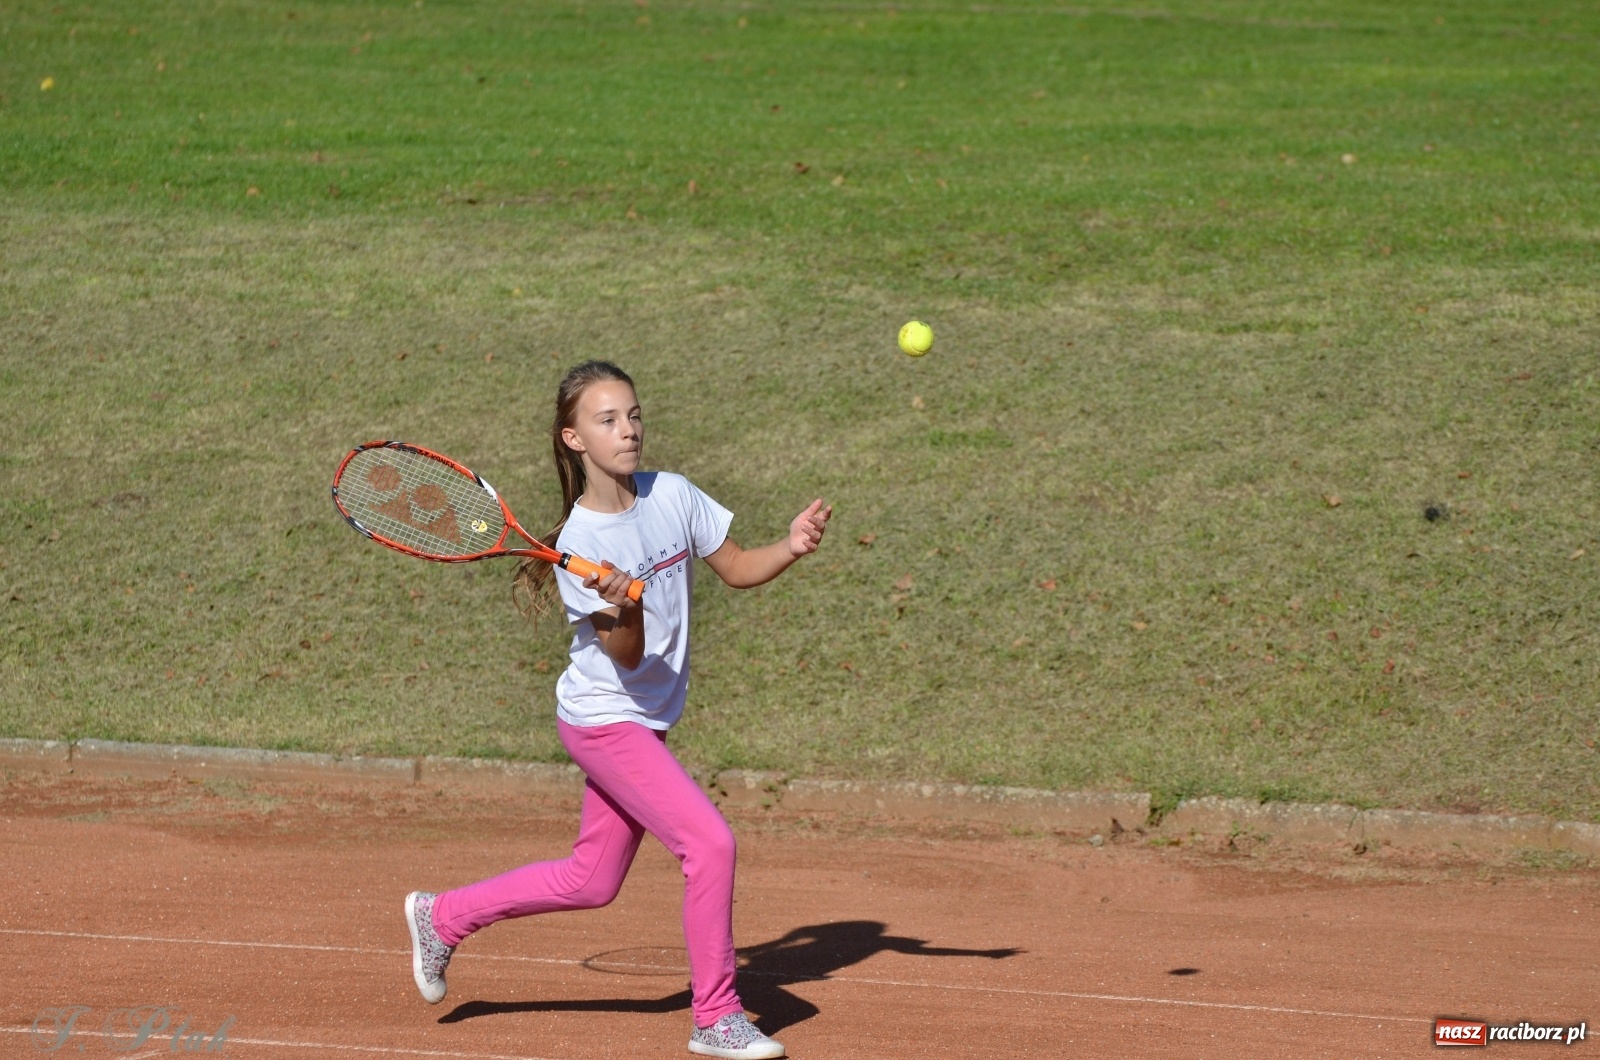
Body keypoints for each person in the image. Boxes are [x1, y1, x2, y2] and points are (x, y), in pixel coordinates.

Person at [405, 360, 830, 1060]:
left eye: (633, 415)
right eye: (607, 420)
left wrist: (789, 547)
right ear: (574, 439)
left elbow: (736, 568)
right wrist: (623, 606)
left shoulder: (673, 494)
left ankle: (442, 916)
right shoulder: (581, 544)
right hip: (605, 720)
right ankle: (715, 1016)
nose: (628, 430)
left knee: (591, 879)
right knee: (710, 845)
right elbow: (626, 658)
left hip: (646, 718)